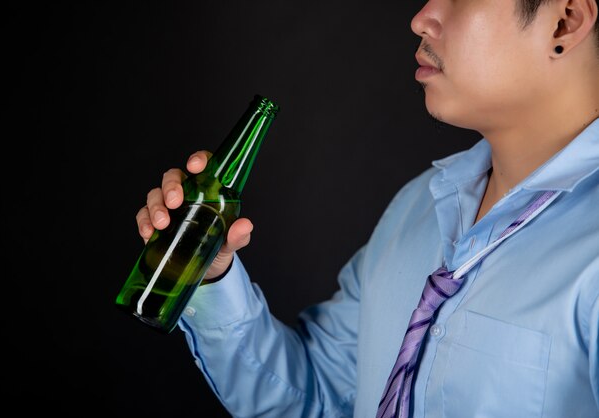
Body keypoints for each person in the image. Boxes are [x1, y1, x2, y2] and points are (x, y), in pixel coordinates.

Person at [135, 0, 599, 416]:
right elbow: (322, 397)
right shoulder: (420, 203)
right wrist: (211, 271)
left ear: (565, 21)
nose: (422, 18)